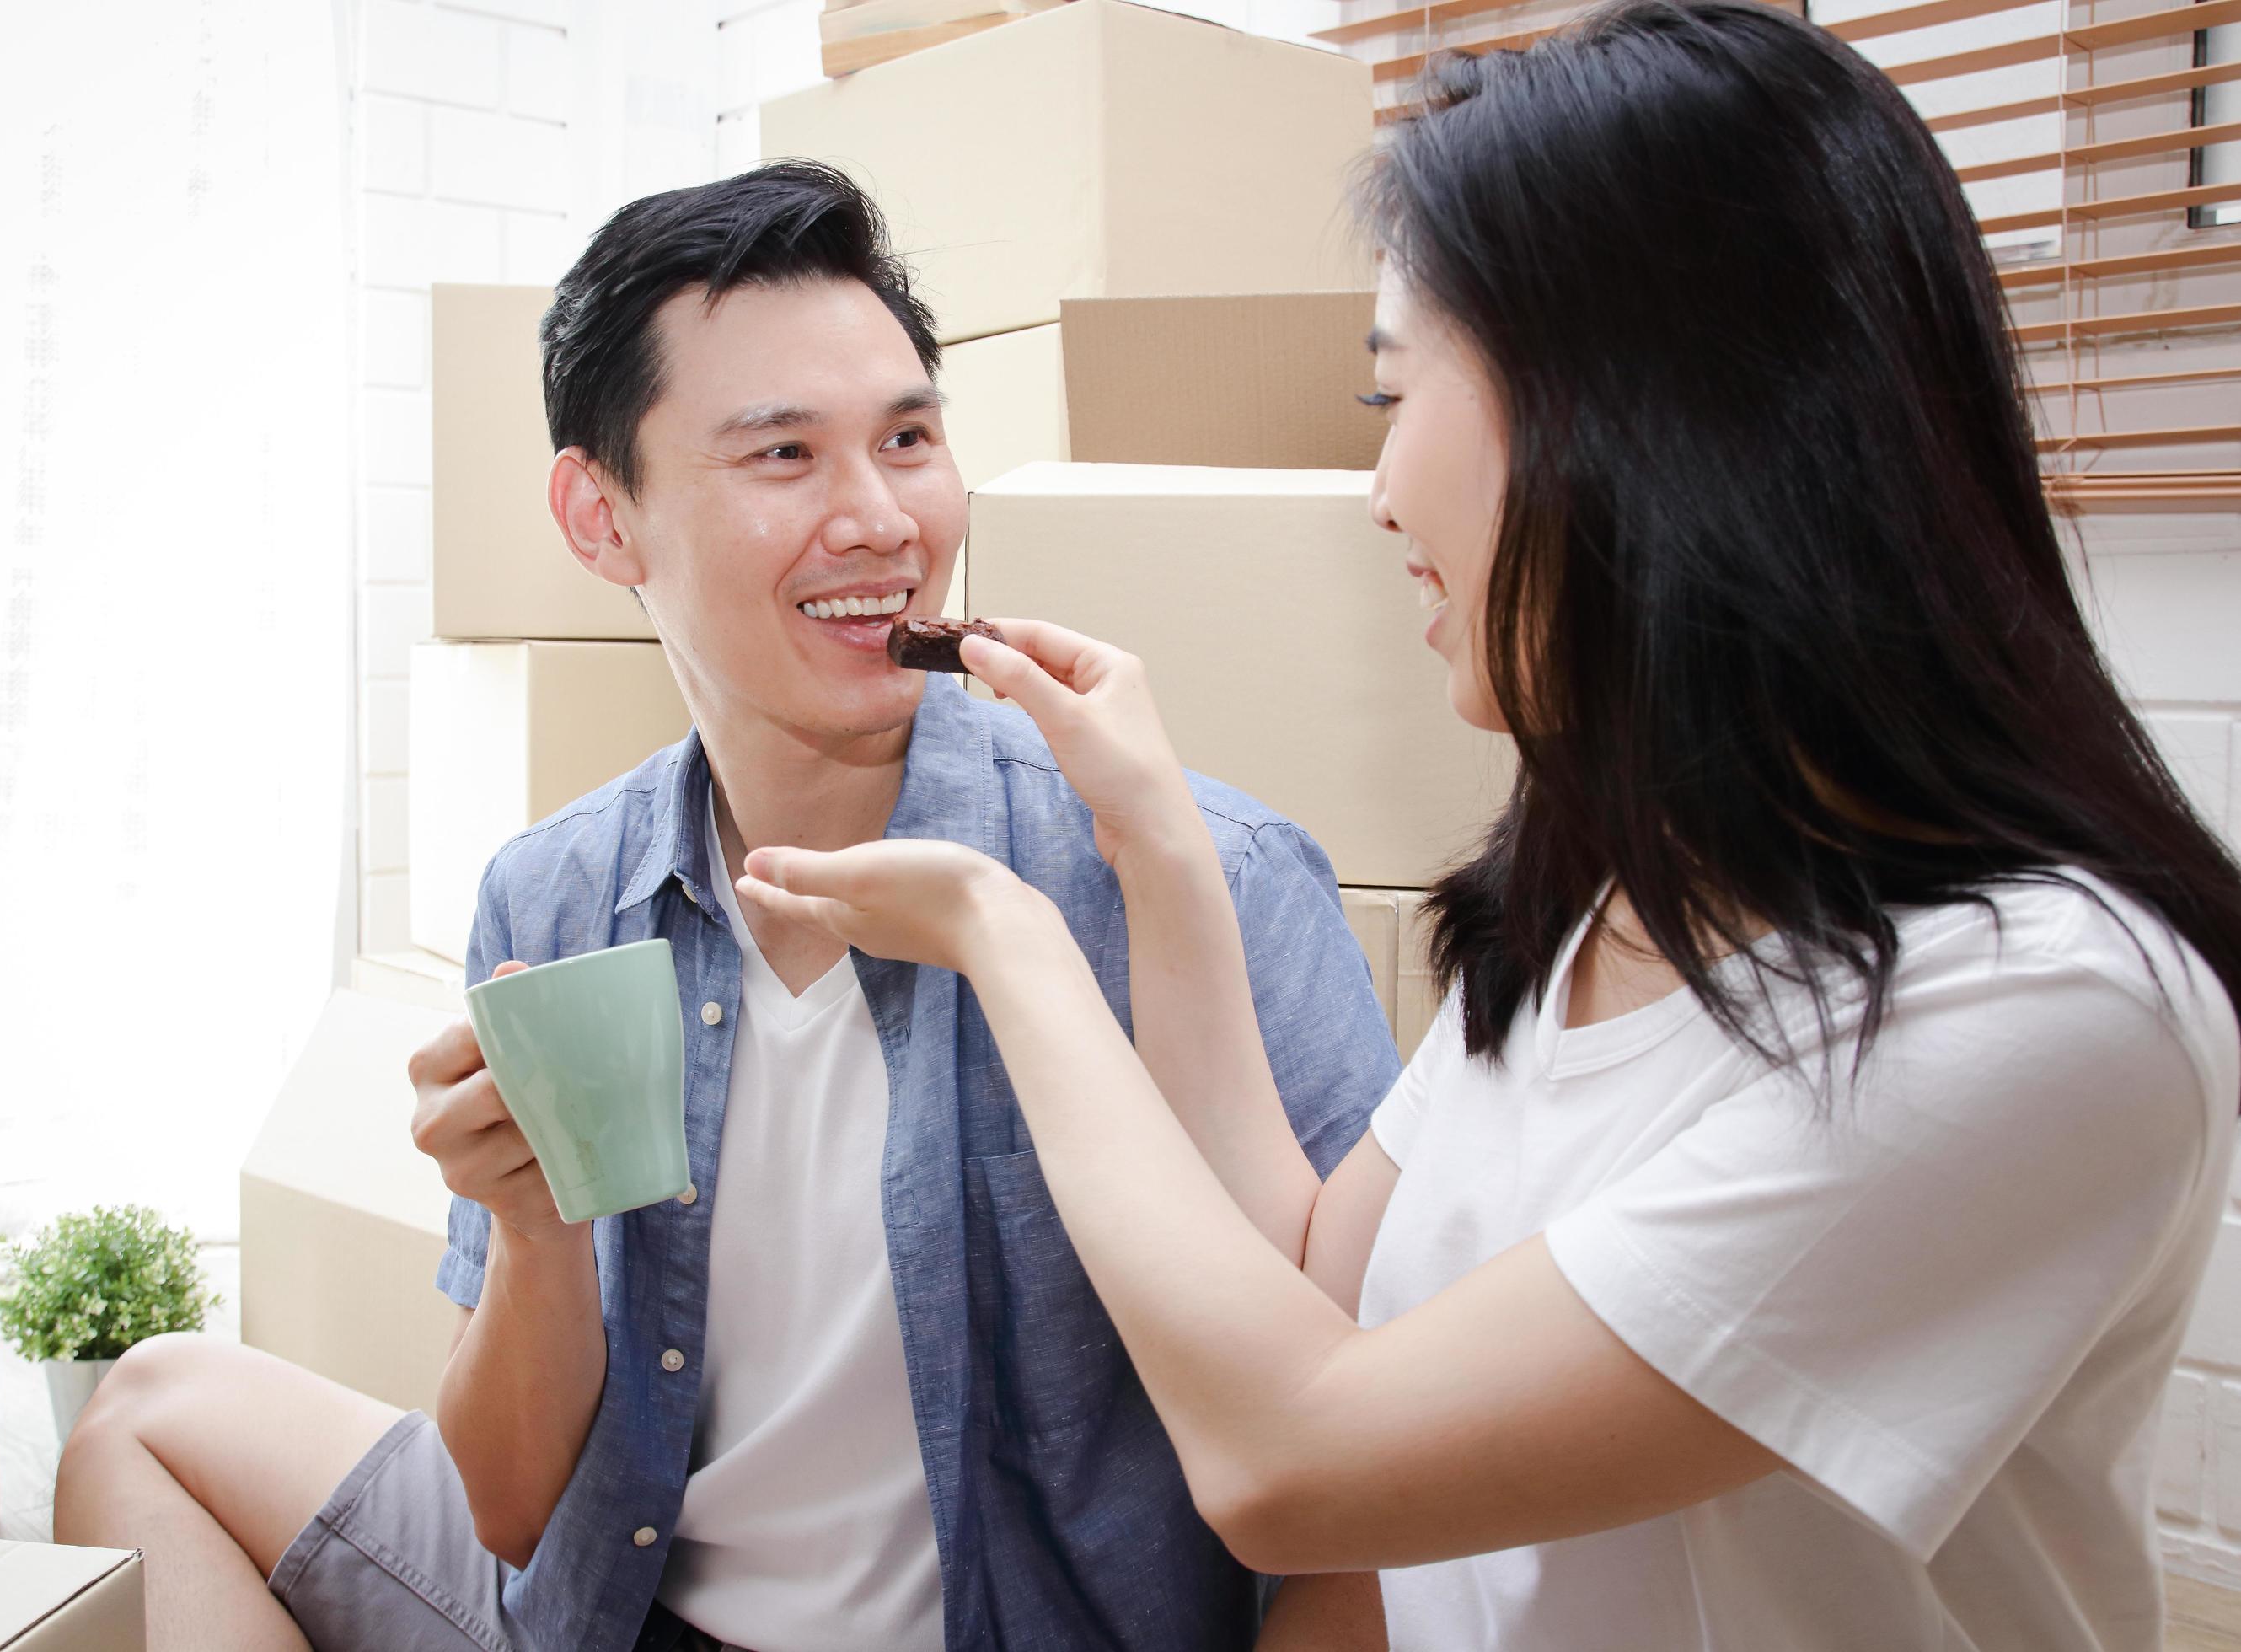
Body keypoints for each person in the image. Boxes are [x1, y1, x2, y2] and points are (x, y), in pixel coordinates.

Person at [729, 8, 2241, 1648]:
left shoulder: (2046, 1008)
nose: (1381, 488)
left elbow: (1296, 1450)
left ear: (1636, 411)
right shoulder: (1609, 901)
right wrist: (1148, 835)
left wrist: (1002, 937)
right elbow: (1311, 1284)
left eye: (1400, 389)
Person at [51, 162, 1402, 1651]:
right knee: (148, 1404)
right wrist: (535, 1238)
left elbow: (1374, 1501)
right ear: (600, 516)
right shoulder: (560, 892)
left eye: (909, 438)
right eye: (784, 456)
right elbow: (509, 1506)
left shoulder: (1181, 870)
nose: (881, 519)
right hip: (617, 1611)